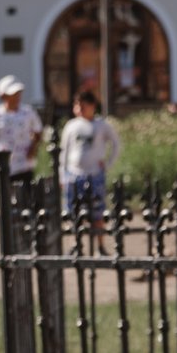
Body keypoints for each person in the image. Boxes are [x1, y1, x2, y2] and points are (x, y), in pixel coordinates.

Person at [58, 90, 121, 251]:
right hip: (74, 174)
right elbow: (64, 151)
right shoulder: (71, 126)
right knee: (74, 212)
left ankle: (100, 245)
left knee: (97, 212)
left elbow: (116, 144)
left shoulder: (101, 125)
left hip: (94, 174)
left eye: (83, 104)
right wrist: (62, 174)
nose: (79, 108)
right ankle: (76, 243)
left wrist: (107, 164)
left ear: (92, 105)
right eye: (77, 104)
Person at [0, 74, 43, 186]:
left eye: (18, 93)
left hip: (25, 165)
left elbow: (38, 132)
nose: (17, 96)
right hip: (5, 166)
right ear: (4, 96)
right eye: (13, 94)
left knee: (26, 198)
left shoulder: (28, 112)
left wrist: (33, 148)